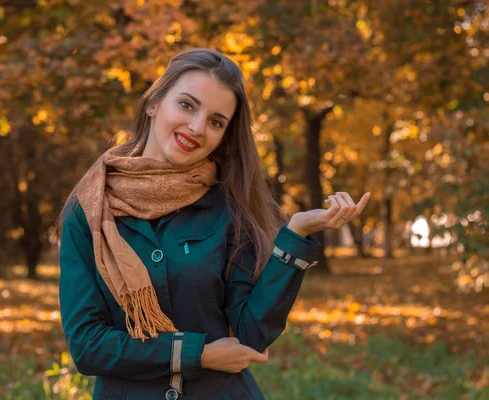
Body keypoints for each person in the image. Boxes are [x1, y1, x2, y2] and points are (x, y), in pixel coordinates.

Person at [57, 48, 369, 400]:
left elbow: (250, 332)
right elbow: (86, 345)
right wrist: (198, 354)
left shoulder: (228, 208)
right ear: (153, 103)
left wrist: (296, 235)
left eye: (216, 121)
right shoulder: (89, 210)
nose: (197, 127)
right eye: (187, 105)